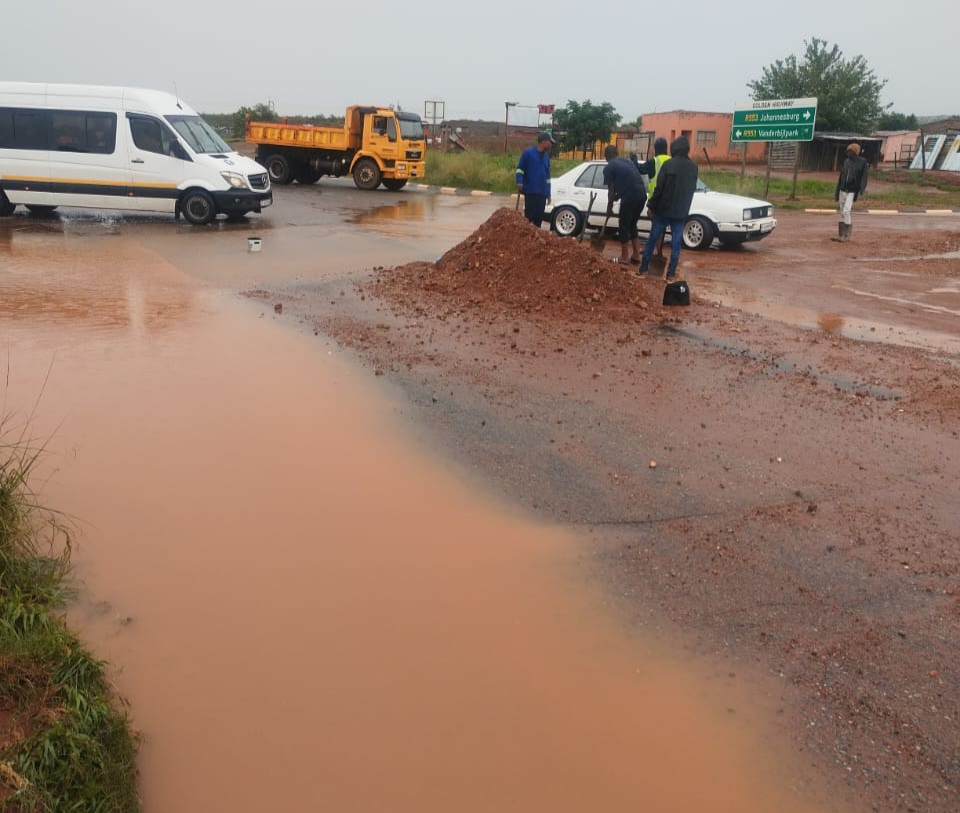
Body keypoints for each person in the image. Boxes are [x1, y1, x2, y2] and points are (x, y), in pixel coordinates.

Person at [638, 136, 698, 280]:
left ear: (674, 149)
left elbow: (659, 189)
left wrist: (651, 206)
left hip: (663, 210)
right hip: (681, 212)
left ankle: (643, 270)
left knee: (652, 239)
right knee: (676, 244)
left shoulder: (669, 165)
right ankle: (670, 275)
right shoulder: (694, 167)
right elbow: (692, 189)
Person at [602, 145, 647, 264]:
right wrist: (618, 196)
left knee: (623, 225)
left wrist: (609, 208)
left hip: (630, 196)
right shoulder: (626, 161)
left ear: (606, 156)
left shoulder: (609, 167)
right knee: (632, 225)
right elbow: (629, 182)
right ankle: (636, 256)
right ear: (616, 154)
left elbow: (611, 191)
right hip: (642, 195)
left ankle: (624, 257)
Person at [515, 132, 555, 227]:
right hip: (530, 193)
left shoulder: (546, 157)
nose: (551, 145)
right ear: (544, 142)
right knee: (529, 221)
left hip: (542, 195)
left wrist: (548, 194)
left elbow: (547, 178)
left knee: (538, 222)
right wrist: (519, 181)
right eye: (550, 142)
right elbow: (520, 169)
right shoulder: (528, 153)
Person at [833, 143, 868, 242]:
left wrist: (861, 189)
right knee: (842, 211)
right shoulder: (846, 161)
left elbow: (864, 177)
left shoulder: (862, 162)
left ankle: (846, 235)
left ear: (856, 152)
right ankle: (841, 235)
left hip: (852, 191)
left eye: (851, 151)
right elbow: (841, 177)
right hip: (842, 189)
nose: (849, 153)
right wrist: (837, 191)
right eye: (848, 151)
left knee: (846, 210)